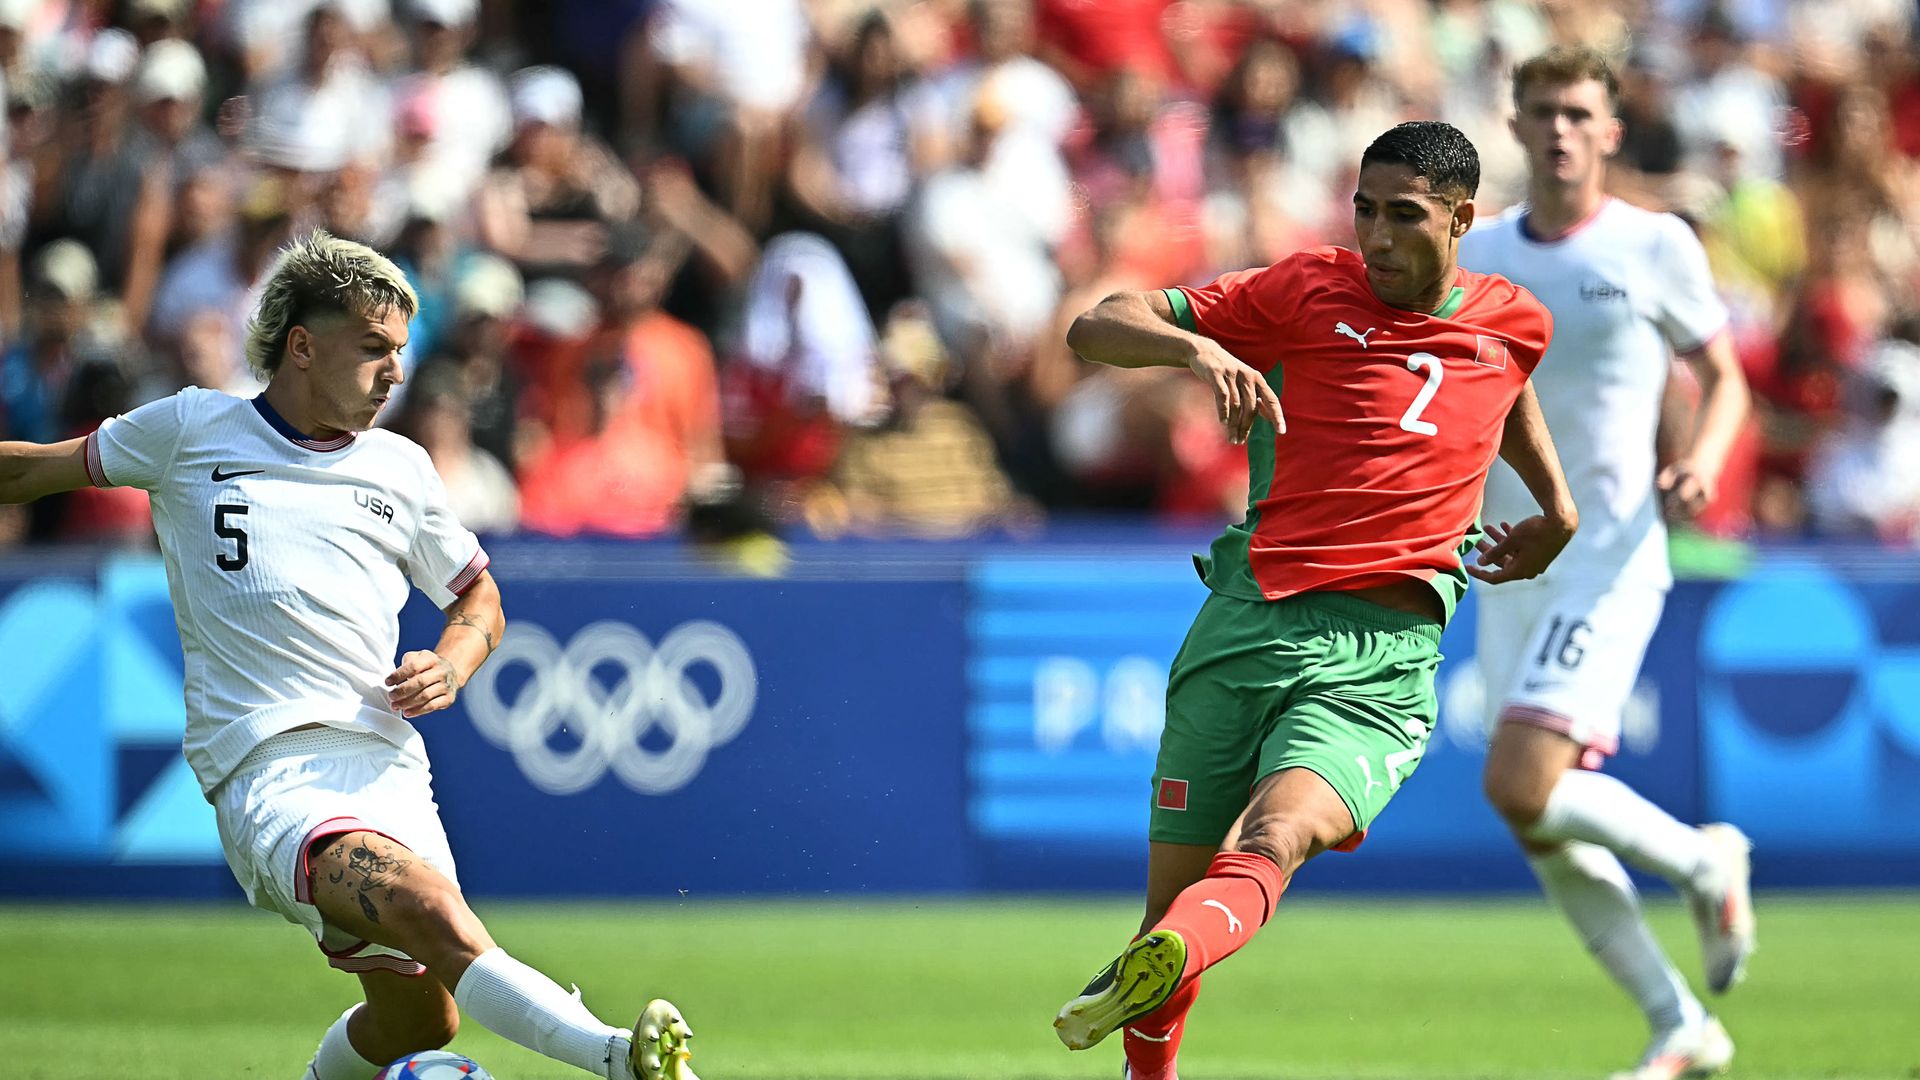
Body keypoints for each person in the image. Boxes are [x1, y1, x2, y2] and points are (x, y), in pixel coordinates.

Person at [0, 231, 697, 1080]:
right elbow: (30, 474)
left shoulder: (400, 469)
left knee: (422, 1017)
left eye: (400, 351)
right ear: (302, 344)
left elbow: (480, 599)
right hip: (273, 769)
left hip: (392, 768)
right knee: (436, 912)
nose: (395, 372)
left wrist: (453, 661)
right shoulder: (191, 428)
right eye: (372, 348)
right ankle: (622, 1061)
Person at [1053, 120, 1578, 1080]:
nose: (1377, 236)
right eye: (1365, 211)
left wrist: (1558, 505)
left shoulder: (1513, 317)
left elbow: (1508, 379)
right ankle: (1153, 1048)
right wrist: (1193, 352)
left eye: (1404, 217)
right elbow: (1095, 324)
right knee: (1172, 914)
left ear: (1461, 220)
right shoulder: (1298, 291)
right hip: (1246, 623)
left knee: (1277, 834)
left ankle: (1164, 971)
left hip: (1383, 655)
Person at [1458, 46, 1756, 1080]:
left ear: (1611, 130)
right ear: (1515, 122)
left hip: (1611, 554)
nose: (1560, 130)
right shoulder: (1479, 251)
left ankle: (1700, 859)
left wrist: (1705, 461)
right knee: (1531, 814)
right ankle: (1681, 1022)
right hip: (1503, 563)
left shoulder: (1654, 245)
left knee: (1520, 776)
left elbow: (1724, 378)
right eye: (1541, 110)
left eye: (1579, 112)